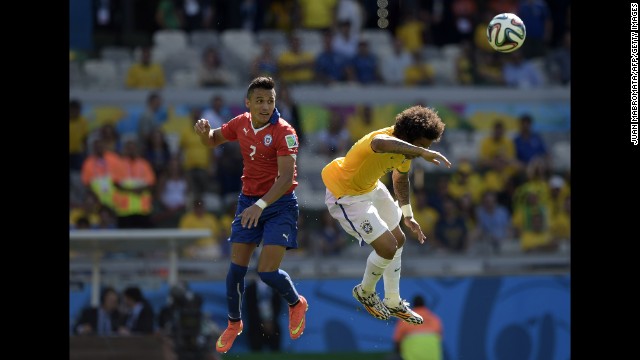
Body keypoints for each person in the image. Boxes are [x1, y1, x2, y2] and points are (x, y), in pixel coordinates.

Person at [193, 76, 308, 354]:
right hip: (249, 202)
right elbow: (213, 140)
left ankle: (296, 303)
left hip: (278, 204)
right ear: (248, 103)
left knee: (266, 272)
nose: (266, 105)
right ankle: (234, 324)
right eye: (260, 101)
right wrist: (203, 133)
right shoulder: (240, 123)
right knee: (234, 273)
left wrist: (261, 206)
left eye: (270, 100)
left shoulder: (285, 132)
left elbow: (284, 180)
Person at [321, 105, 450, 324]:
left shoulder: (405, 150)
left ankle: (393, 300)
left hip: (370, 187)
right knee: (388, 247)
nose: (423, 150)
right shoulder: (384, 138)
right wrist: (420, 151)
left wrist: (408, 214)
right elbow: (379, 144)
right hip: (345, 194)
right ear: (411, 137)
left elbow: (400, 178)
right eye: (422, 145)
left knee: (398, 239)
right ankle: (365, 291)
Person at [392, 295, 443, 360]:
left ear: (413, 305)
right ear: (424, 305)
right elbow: (439, 339)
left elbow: (396, 342)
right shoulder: (435, 320)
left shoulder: (405, 320)